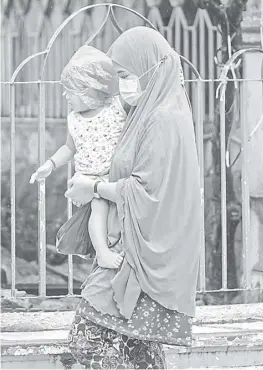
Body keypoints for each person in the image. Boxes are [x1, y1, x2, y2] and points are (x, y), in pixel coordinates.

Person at [65, 26, 202, 370]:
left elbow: (147, 190)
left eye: (126, 75)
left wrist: (92, 189)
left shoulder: (162, 119)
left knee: (88, 338)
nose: (123, 84)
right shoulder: (145, 113)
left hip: (142, 252)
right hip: (127, 242)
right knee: (136, 349)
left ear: (149, 69)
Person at [30, 45, 127, 269]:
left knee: (118, 212)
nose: (65, 96)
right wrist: (50, 164)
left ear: (91, 88)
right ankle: (102, 252)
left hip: (116, 174)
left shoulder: (116, 106)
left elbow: (138, 96)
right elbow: (68, 147)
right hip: (91, 179)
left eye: (70, 90)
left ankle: (113, 245)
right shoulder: (74, 119)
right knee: (100, 208)